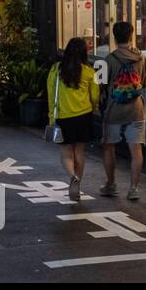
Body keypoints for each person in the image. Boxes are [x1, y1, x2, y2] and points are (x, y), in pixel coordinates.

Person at [101, 21, 146, 200]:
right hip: (136, 109)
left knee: (109, 146)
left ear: (114, 37)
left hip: (114, 109)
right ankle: (134, 189)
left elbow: (101, 84)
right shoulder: (142, 58)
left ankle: (111, 184)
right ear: (131, 36)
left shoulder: (108, 59)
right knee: (136, 149)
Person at [47, 38, 100, 201]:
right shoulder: (90, 72)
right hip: (84, 116)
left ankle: (72, 177)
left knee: (65, 154)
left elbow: (50, 93)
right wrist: (94, 107)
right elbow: (95, 95)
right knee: (80, 152)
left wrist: (51, 116)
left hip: (64, 117)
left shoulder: (56, 70)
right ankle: (78, 185)